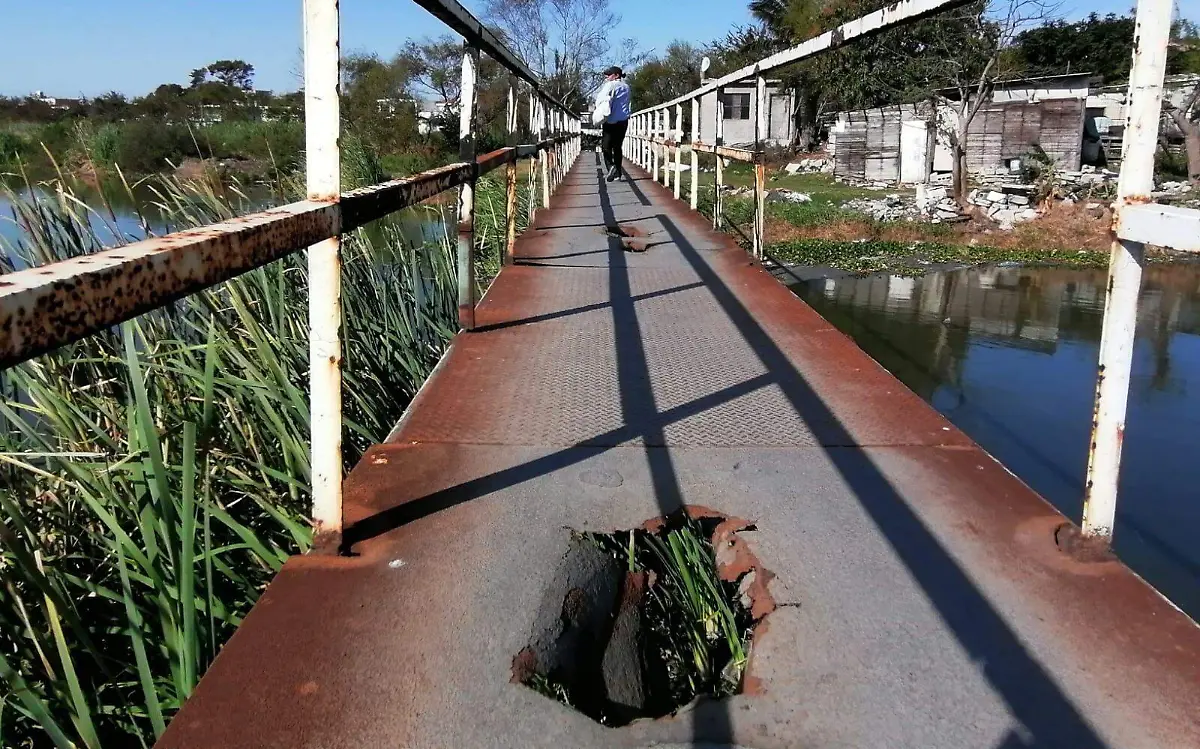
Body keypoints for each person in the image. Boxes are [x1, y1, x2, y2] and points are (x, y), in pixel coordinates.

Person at [594, 65, 631, 181]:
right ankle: (618, 173)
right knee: (617, 147)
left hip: (610, 120)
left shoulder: (611, 85)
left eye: (609, 75)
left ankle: (611, 167)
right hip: (623, 120)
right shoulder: (627, 87)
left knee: (606, 146)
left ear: (616, 75)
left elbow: (599, 99)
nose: (607, 77)